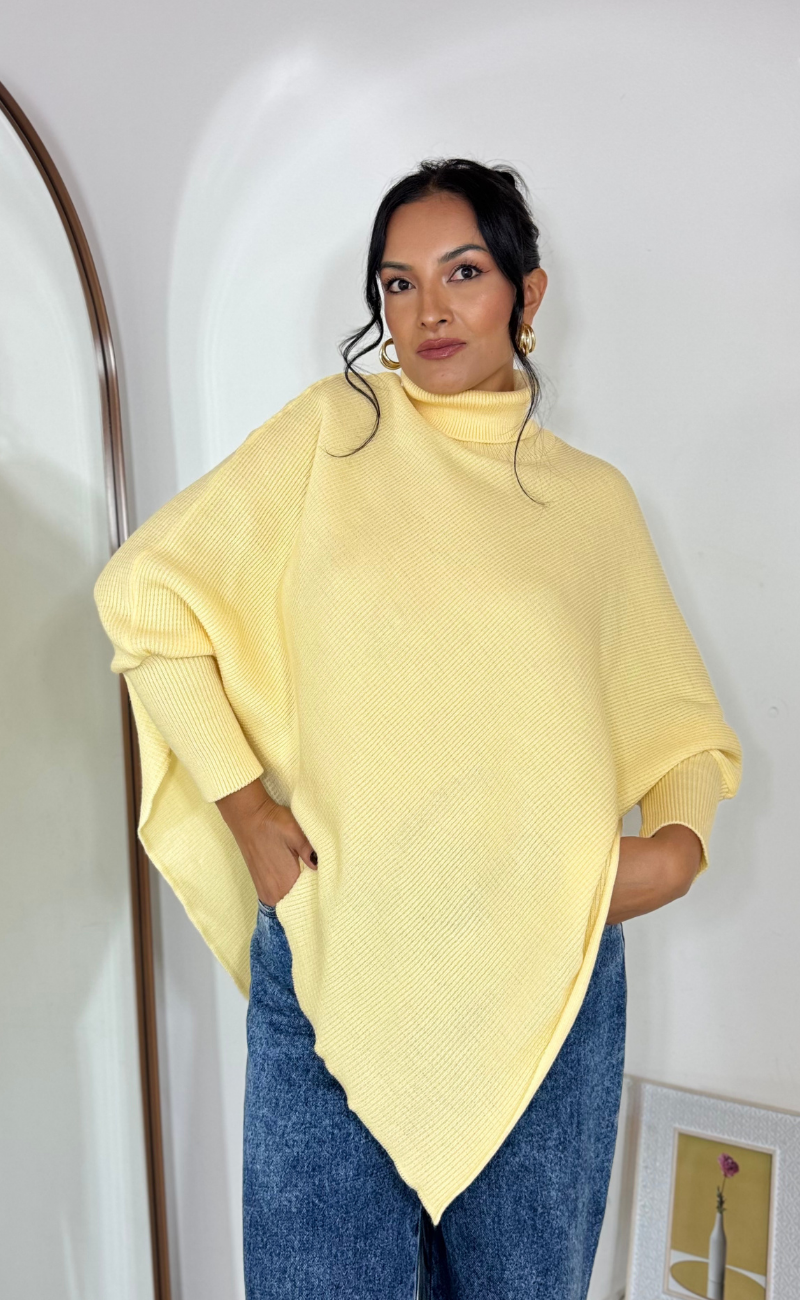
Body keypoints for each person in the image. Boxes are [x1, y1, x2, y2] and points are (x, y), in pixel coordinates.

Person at [94, 158, 742, 1299]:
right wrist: (243, 807)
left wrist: (675, 853)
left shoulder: (592, 502)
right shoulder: (332, 435)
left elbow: (676, 724)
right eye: (398, 284)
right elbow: (143, 601)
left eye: (463, 273)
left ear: (527, 293)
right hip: (340, 955)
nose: (428, 310)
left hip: (545, 978)